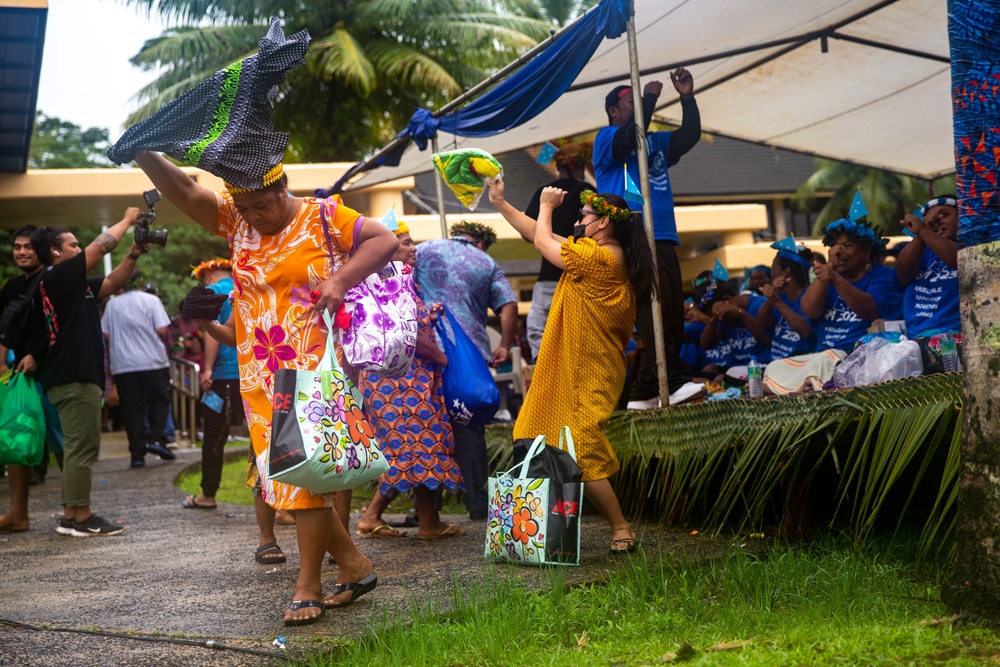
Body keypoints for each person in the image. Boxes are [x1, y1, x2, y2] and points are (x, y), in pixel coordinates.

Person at [136, 149, 397, 626]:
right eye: (245, 206)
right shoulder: (237, 220)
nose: (253, 216)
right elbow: (186, 191)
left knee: (301, 477)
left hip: (308, 365)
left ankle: (309, 585)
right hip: (258, 374)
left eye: (263, 205)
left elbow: (384, 240)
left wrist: (340, 279)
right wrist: (143, 151)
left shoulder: (322, 217)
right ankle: (356, 567)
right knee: (286, 477)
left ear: (283, 189)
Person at [490, 182, 655, 553]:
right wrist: (501, 202)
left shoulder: (602, 258)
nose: (580, 219)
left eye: (585, 215)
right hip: (569, 365)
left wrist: (547, 204)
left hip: (589, 368)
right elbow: (538, 232)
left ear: (602, 224)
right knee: (533, 430)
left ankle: (621, 527)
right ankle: (539, 531)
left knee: (580, 444)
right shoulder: (592, 251)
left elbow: (543, 244)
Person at [593, 68, 706, 408]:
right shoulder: (606, 139)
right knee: (653, 311)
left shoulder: (653, 141)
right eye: (630, 100)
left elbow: (689, 136)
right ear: (613, 110)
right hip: (635, 235)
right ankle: (670, 381)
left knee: (670, 312)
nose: (637, 103)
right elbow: (630, 136)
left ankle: (644, 391)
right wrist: (651, 97)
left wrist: (687, 98)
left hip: (664, 235)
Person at [32, 211, 148, 537]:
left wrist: (134, 253)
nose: (79, 247)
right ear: (55, 252)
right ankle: (82, 517)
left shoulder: (74, 285)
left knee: (75, 448)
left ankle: (71, 513)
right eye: (72, 244)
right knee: (82, 448)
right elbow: (102, 246)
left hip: (72, 376)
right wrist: (126, 220)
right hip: (74, 377)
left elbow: (112, 283)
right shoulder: (57, 277)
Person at [358, 222, 465, 539]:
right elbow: (411, 335)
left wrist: (428, 320)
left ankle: (378, 517)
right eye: (405, 243)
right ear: (387, 249)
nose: (413, 247)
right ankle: (427, 524)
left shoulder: (395, 280)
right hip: (400, 387)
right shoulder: (390, 281)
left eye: (411, 241)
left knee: (412, 449)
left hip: (402, 384)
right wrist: (443, 358)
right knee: (421, 445)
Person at [414, 220, 518, 521]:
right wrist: (505, 344)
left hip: (427, 349)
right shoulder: (487, 261)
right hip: (469, 357)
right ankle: (476, 503)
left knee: (426, 425)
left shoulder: (423, 249)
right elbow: (508, 306)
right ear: (482, 242)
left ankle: (424, 509)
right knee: (469, 428)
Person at [0, 226, 63, 532]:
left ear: (39, 249)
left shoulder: (51, 281)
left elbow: (58, 326)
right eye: (17, 246)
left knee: (62, 442)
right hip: (20, 378)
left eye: (27, 246)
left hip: (52, 373)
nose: (22, 251)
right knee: (16, 442)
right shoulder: (12, 287)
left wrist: (37, 355)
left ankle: (74, 508)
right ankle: (17, 514)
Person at [515, 142, 593, 360]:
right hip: (579, 273)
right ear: (579, 168)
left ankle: (545, 373)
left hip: (549, 275)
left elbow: (527, 231)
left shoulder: (545, 193)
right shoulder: (590, 194)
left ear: (559, 166)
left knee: (539, 332)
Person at [182, 259, 241, 509]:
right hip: (250, 373)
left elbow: (212, 332)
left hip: (224, 376)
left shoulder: (215, 291)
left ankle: (207, 495)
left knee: (214, 437)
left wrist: (207, 369)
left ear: (206, 275)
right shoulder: (241, 287)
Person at [101, 272, 176, 468]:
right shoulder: (151, 301)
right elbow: (162, 330)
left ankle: (137, 453)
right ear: (139, 284)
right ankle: (156, 439)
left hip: (124, 365)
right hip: (153, 361)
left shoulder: (111, 305)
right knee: (159, 401)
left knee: (132, 408)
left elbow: (106, 335)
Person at [802, 219, 902, 352]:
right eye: (835, 245)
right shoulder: (832, 276)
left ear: (866, 251)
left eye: (846, 245)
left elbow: (870, 311)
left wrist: (836, 279)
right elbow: (810, 310)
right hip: (824, 355)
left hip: (859, 356)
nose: (837, 251)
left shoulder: (883, 275)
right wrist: (830, 265)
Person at [894, 196, 960, 371]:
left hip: (954, 338)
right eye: (931, 219)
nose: (937, 221)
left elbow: (960, 260)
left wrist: (924, 231)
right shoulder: (921, 251)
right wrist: (921, 234)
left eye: (944, 215)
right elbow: (902, 275)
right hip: (916, 339)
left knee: (938, 355)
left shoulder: (971, 247)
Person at [756, 242, 816, 361]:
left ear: (786, 271)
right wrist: (771, 300)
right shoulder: (780, 296)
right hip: (774, 366)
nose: (771, 275)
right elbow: (761, 323)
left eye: (774, 269)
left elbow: (805, 331)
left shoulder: (810, 296)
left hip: (799, 365)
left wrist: (777, 302)